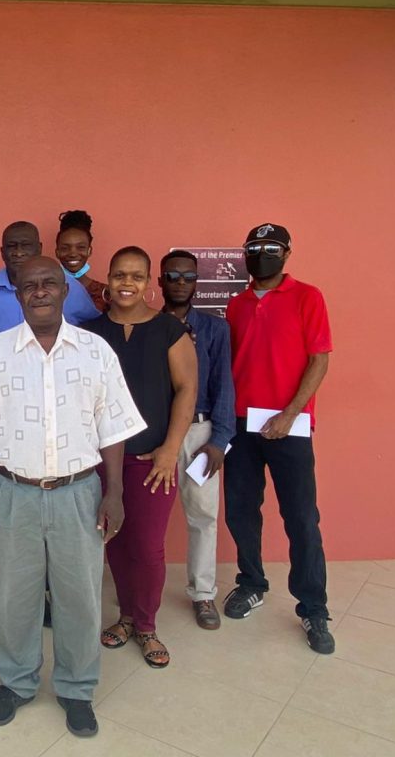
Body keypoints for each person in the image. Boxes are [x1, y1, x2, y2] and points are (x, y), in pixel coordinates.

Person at [0, 256, 145, 738]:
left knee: (79, 596)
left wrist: (114, 492)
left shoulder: (95, 351)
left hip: (79, 492)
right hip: (11, 490)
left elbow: (113, 428)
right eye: (29, 285)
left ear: (64, 291)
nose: (39, 291)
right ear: (18, 295)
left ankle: (76, 688)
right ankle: (15, 681)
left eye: (49, 284)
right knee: (12, 595)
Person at [223, 223, 335, 654]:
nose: (261, 254)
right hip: (241, 425)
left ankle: (313, 607)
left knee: (302, 518)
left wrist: (290, 415)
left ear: (287, 253)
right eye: (254, 248)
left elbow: (319, 360)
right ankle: (251, 582)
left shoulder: (309, 297)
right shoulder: (236, 304)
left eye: (271, 248)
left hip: (291, 426)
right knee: (241, 510)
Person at [85, 247, 196, 669]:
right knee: (114, 540)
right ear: (108, 280)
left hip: (153, 460)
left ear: (149, 282)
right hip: (101, 461)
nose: (126, 283)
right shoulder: (90, 332)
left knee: (148, 547)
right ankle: (126, 617)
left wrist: (170, 449)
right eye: (118, 275)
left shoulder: (169, 330)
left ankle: (147, 626)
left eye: (135, 276)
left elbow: (187, 389)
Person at [159, 250, 235, 630]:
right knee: (144, 517)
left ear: (197, 283)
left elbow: (224, 386)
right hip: (157, 434)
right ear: (159, 280)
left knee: (203, 515)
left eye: (188, 277)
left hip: (201, 433)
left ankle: (203, 594)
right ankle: (139, 594)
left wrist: (220, 440)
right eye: (172, 275)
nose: (180, 282)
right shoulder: (147, 325)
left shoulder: (214, 329)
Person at [0, 220, 100, 340]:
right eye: (11, 246)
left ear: (39, 248)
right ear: (2, 252)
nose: (19, 252)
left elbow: (94, 327)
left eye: (26, 245)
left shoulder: (70, 287)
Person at [55, 209, 108, 312]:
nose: (73, 254)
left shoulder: (105, 293)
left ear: (89, 250)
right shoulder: (47, 290)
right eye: (65, 248)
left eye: (81, 247)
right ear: (57, 252)